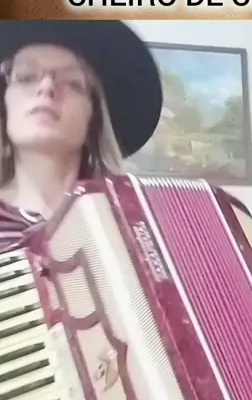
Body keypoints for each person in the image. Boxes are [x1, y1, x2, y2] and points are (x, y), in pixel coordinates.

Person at [0, 20, 163, 245]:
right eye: (26, 77)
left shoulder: (136, 229)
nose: (46, 87)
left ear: (93, 120)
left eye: (71, 82)